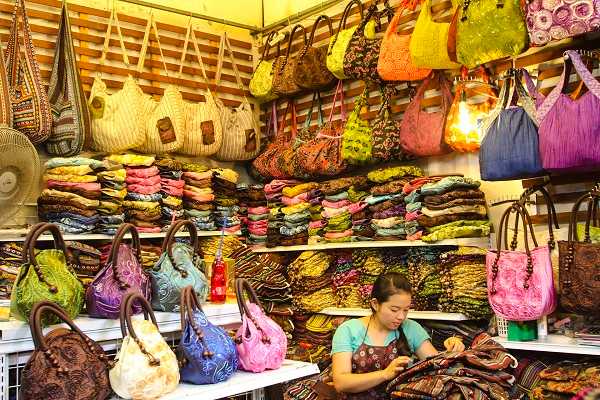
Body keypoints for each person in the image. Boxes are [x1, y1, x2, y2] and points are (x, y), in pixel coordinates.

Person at [331, 272, 466, 399]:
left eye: (406, 310)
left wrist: (451, 349)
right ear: (375, 304)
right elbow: (341, 383)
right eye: (394, 310)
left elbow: (437, 367)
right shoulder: (348, 330)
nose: (401, 316)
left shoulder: (411, 328)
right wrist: (384, 374)